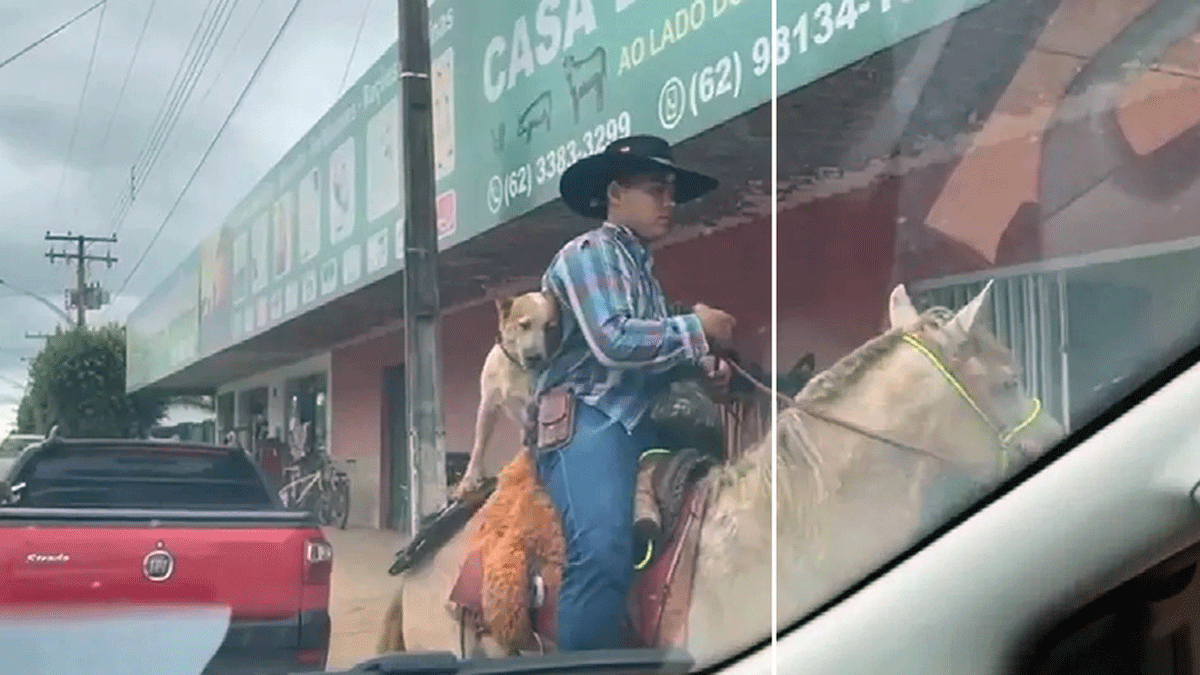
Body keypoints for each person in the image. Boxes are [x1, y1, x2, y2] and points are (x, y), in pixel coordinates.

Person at [532, 134, 737, 650]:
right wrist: (697, 326)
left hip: (644, 422)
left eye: (671, 191)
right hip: (588, 418)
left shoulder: (642, 272)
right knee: (601, 551)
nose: (669, 202)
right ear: (616, 193)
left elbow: (653, 355)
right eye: (656, 190)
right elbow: (613, 340)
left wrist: (706, 368)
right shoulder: (589, 253)